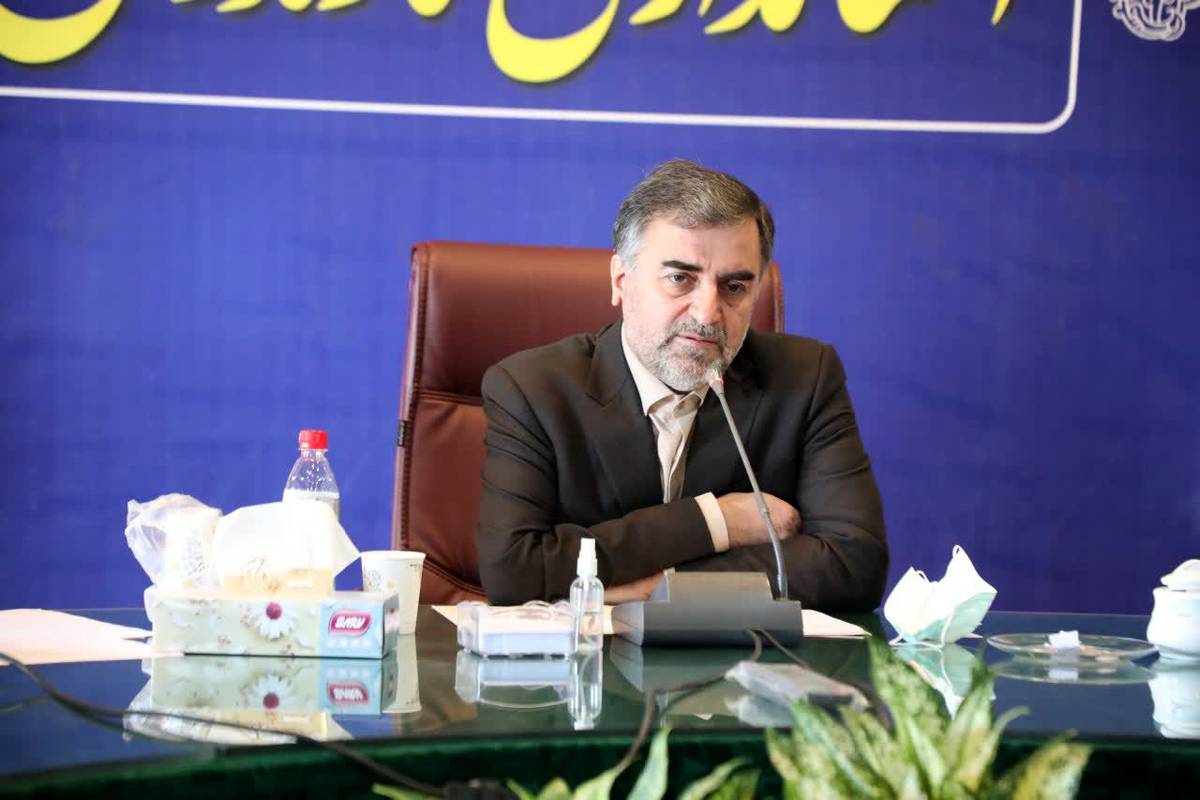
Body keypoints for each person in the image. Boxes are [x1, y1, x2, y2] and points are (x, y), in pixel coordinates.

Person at [476, 160, 887, 611]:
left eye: (734, 286)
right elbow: (513, 570)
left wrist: (656, 591)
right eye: (680, 278)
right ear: (621, 281)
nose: (707, 313)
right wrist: (717, 521)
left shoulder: (806, 378)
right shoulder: (532, 389)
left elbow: (855, 565)